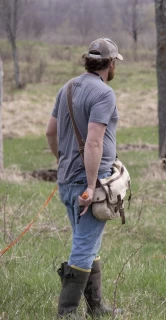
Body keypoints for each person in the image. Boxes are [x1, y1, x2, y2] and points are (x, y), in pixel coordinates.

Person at [45, 38, 123, 318]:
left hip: (67, 181)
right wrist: (90, 186)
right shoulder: (103, 93)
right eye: (116, 63)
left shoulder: (66, 88)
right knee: (83, 245)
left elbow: (50, 133)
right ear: (110, 63)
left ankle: (97, 308)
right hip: (88, 184)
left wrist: (63, 163)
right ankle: (66, 313)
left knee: (87, 241)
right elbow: (93, 142)